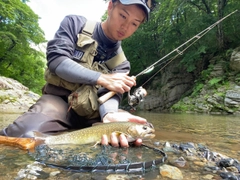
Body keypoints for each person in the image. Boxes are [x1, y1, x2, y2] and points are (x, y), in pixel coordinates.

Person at [0, 0, 150, 147]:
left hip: (95, 115)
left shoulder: (122, 64)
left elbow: (112, 94)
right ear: (110, 7)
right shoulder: (74, 24)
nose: (125, 26)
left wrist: (109, 115)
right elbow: (57, 61)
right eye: (123, 16)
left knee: (127, 140)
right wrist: (102, 78)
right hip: (59, 102)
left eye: (134, 23)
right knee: (25, 135)